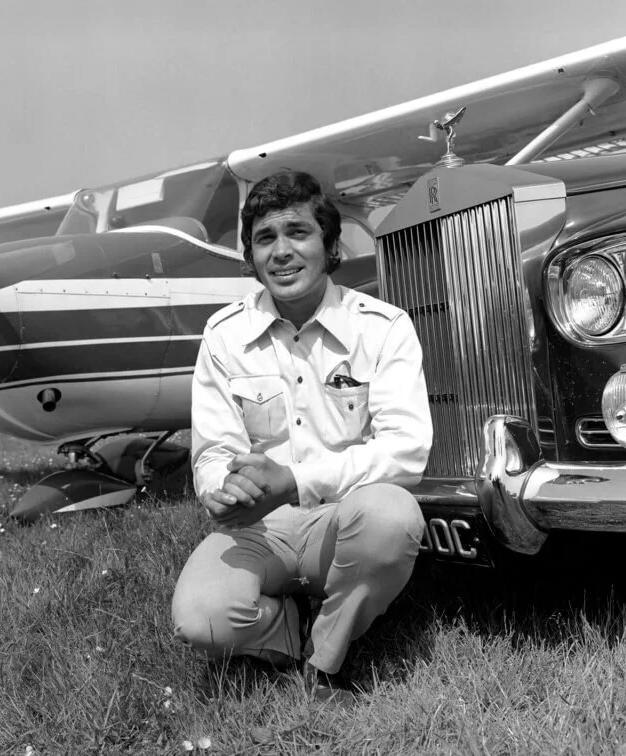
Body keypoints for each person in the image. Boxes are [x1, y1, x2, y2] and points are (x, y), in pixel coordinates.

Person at [171, 170, 432, 706]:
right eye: (265, 238)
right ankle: (284, 629)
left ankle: (328, 657)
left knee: (392, 518)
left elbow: (407, 450)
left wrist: (294, 480)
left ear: (331, 246)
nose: (281, 252)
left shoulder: (383, 327)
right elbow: (214, 449)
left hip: (344, 520)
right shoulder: (224, 336)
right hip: (259, 527)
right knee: (203, 623)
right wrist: (220, 491)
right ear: (249, 258)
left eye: (298, 233)